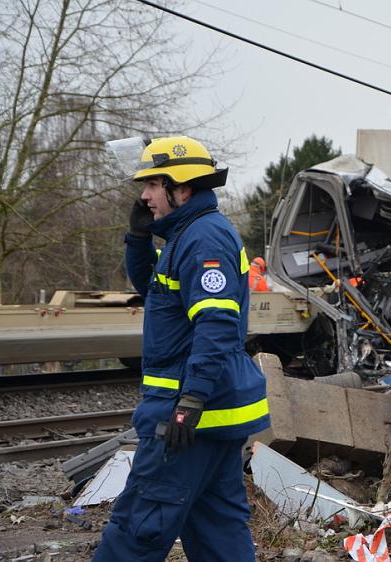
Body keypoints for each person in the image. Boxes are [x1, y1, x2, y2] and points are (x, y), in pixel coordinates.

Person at [93, 136, 270, 562]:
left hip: (186, 417)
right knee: (218, 535)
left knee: (138, 529)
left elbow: (216, 324)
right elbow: (156, 294)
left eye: (153, 185)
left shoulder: (203, 238)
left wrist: (190, 400)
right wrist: (138, 240)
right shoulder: (187, 234)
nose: (144, 195)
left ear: (182, 188)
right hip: (210, 417)